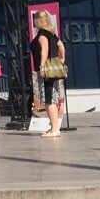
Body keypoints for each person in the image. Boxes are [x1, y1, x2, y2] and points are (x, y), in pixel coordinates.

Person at [30, 9, 67, 139]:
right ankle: (53, 127)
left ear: (37, 21)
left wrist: (42, 65)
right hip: (53, 69)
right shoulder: (52, 34)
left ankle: (55, 129)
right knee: (50, 98)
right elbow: (61, 46)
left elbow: (44, 49)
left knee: (48, 98)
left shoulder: (42, 35)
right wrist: (61, 59)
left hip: (47, 71)